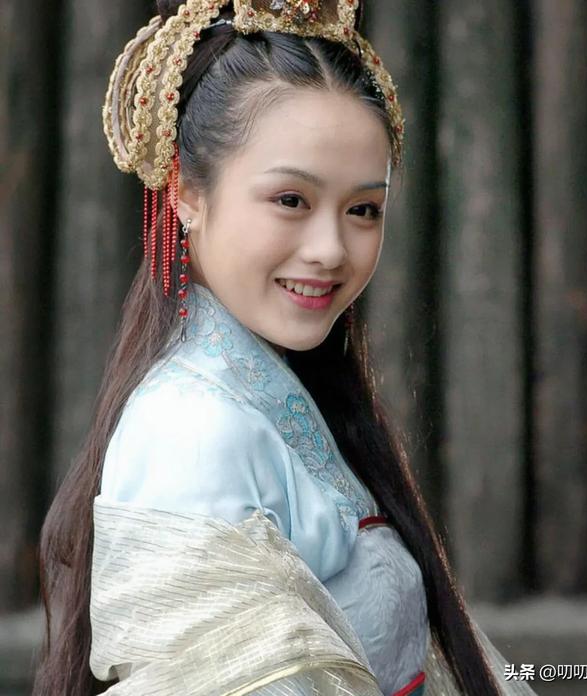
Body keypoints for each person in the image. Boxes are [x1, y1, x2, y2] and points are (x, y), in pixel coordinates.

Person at [33, 1, 537, 695]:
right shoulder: (194, 432)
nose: (331, 249)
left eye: (363, 209)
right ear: (185, 192)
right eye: (291, 200)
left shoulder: (272, 390)